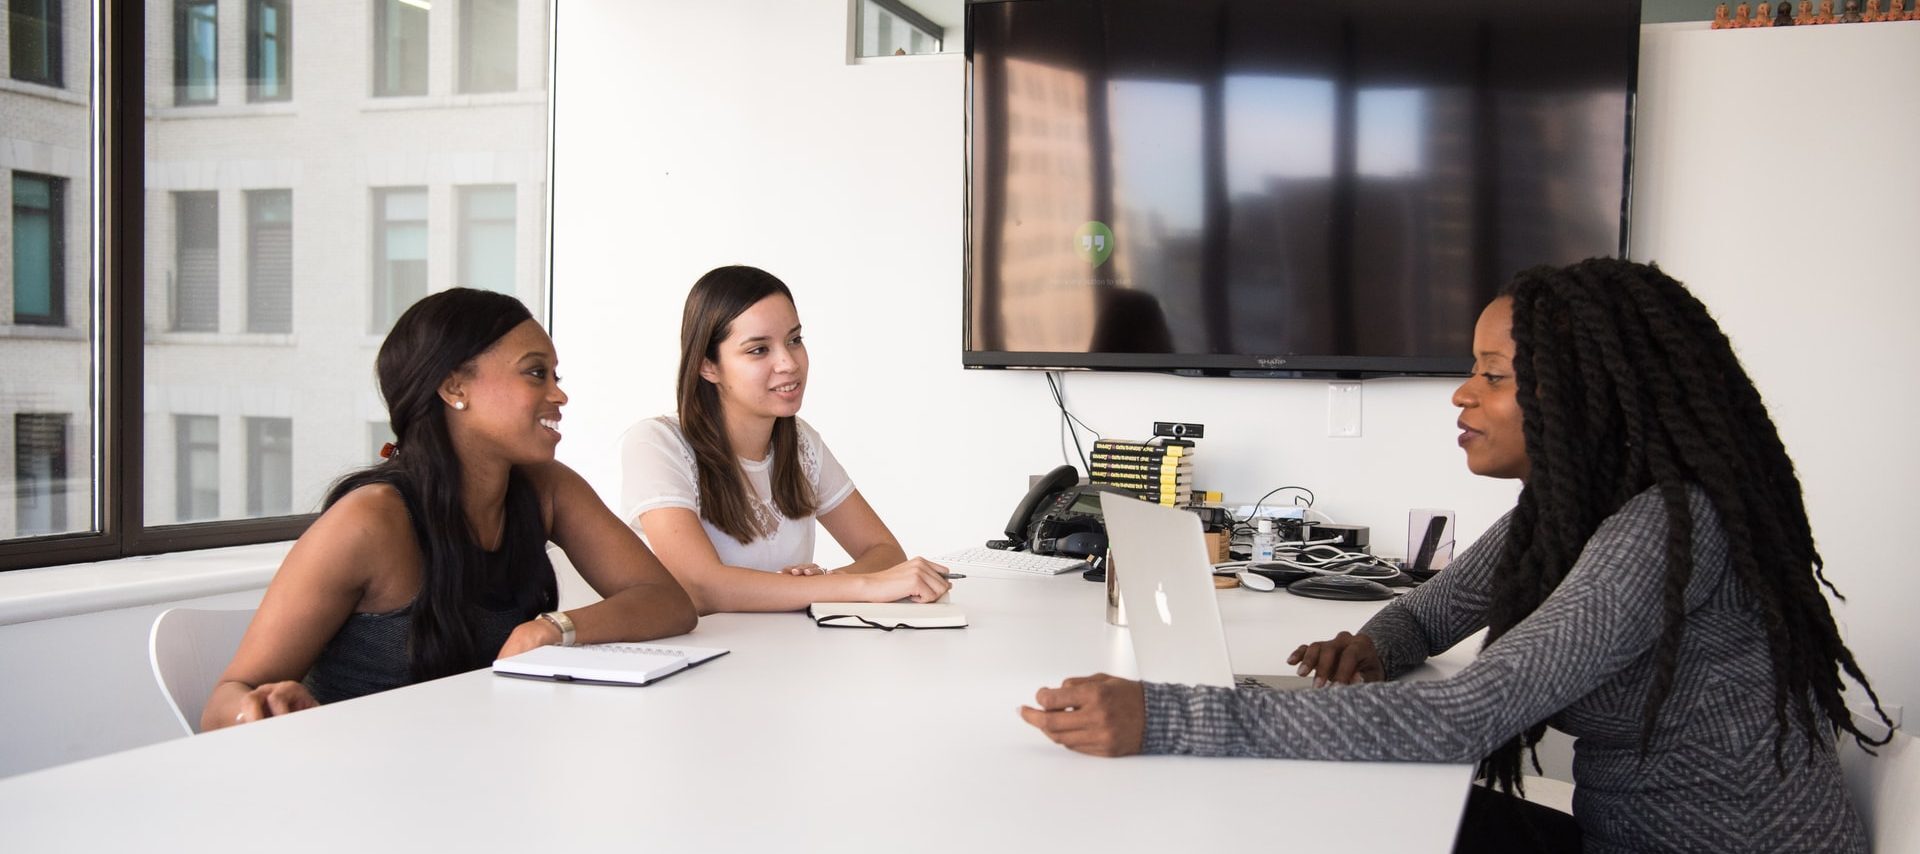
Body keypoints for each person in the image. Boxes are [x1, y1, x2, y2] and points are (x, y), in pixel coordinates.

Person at [1019, 259, 1894, 852]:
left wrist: (1168, 718)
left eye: (1495, 374)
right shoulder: (1569, 512)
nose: (1462, 393)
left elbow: (1461, 718)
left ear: (1585, 392)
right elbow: (1433, 608)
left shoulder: (1666, 527)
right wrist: (1376, 646)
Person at [204, 289, 697, 730]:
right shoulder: (370, 522)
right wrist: (260, 710)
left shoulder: (547, 488)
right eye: (534, 373)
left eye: (554, 374)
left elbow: (667, 602)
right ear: (454, 388)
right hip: (365, 787)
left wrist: (553, 628)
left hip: (478, 768)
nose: (558, 393)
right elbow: (224, 704)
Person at [620, 265, 950, 613]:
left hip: (787, 655)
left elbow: (884, 552)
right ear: (708, 366)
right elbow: (702, 587)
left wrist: (822, 583)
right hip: (701, 661)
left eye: (794, 340)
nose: (789, 363)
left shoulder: (801, 442)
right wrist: (846, 587)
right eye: (759, 350)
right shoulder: (656, 444)